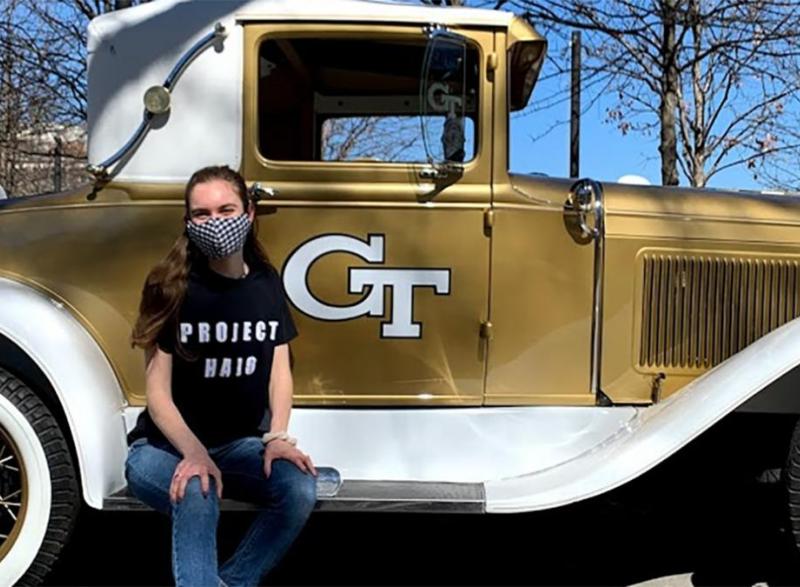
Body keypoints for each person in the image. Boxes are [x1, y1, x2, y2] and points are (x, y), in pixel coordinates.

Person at [126, 164, 318, 587]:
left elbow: (279, 371)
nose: (215, 222)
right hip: (161, 449)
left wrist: (278, 437)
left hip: (237, 447)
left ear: (249, 213)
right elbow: (157, 396)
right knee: (198, 489)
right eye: (202, 214)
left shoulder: (267, 283)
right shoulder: (170, 287)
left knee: (300, 489)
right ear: (188, 221)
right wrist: (194, 454)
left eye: (226, 210)